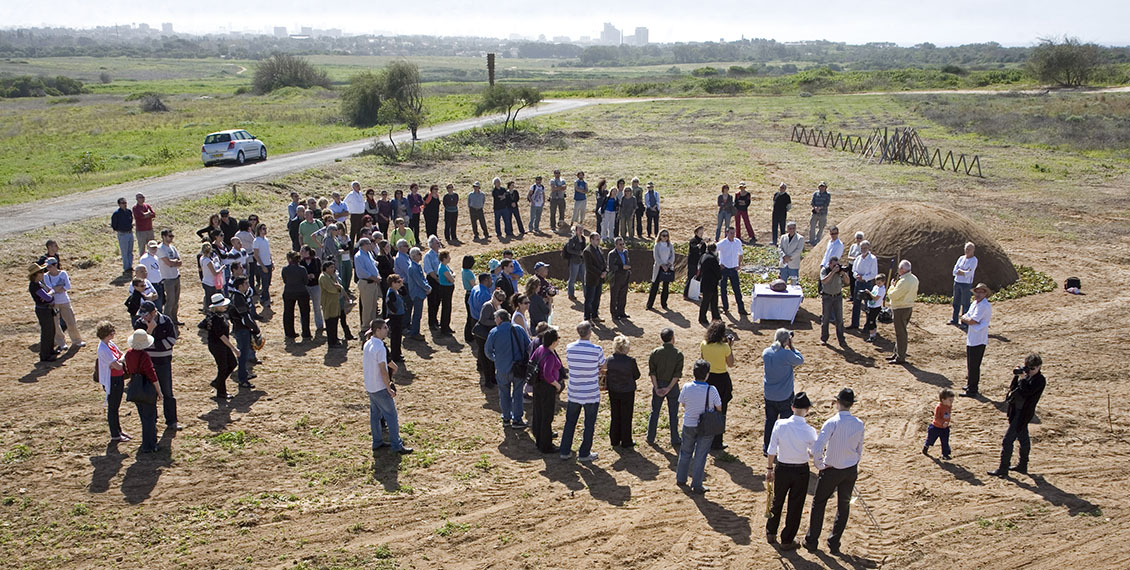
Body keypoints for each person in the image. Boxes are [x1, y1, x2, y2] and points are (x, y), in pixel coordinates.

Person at [804, 387, 865, 555]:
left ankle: (812, 541)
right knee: (843, 506)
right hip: (850, 470)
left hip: (831, 470)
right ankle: (834, 542)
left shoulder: (832, 422)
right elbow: (859, 449)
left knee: (819, 504)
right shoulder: (859, 424)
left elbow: (818, 448)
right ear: (852, 404)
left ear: (837, 403)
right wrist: (853, 463)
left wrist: (819, 465)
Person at [765, 391, 817, 550]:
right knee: (795, 506)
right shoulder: (810, 430)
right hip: (800, 470)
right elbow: (814, 452)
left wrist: (769, 468)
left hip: (782, 468)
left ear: (792, 407)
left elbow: (772, 449)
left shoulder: (780, 425)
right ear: (807, 410)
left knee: (777, 501)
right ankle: (787, 539)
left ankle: (771, 531)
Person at [989, 354, 1046, 477]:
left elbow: (1026, 392)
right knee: (1023, 438)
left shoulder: (1039, 380)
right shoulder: (1027, 377)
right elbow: (1013, 388)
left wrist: (1024, 378)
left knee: (1007, 440)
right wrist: (1017, 376)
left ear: (1039, 367)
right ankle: (1022, 466)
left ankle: (1003, 468)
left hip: (1023, 414)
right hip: (1016, 411)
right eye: (1028, 368)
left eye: (1033, 369)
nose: (1030, 371)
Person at [363, 319, 413, 455]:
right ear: (378, 330)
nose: (387, 329)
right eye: (385, 327)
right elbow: (383, 370)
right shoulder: (380, 347)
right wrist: (388, 388)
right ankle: (397, 445)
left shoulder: (367, 344)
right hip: (379, 387)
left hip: (370, 386)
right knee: (391, 416)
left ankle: (377, 442)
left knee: (375, 415)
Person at [561, 321, 606, 462]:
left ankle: (565, 450)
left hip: (574, 391)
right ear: (590, 332)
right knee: (589, 424)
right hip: (590, 392)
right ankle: (584, 453)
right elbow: (604, 366)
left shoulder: (570, 348)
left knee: (570, 422)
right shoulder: (596, 349)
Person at [676, 359, 723, 494]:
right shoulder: (711, 390)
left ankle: (681, 478)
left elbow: (683, 403)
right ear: (707, 374)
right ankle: (697, 485)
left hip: (689, 423)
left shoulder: (686, 387)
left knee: (685, 452)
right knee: (700, 455)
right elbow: (719, 407)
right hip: (706, 426)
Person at [133, 301, 180, 431]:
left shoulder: (166, 321)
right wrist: (150, 330)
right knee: (150, 393)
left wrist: (151, 344)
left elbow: (171, 341)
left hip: (163, 363)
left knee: (167, 392)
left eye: (146, 315)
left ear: (154, 312)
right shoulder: (139, 324)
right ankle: (152, 421)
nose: (143, 318)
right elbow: (139, 345)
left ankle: (172, 421)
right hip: (147, 365)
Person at [485, 309, 532, 428]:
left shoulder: (494, 332)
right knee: (517, 394)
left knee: (504, 393)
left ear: (499, 319)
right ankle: (517, 419)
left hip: (502, 369)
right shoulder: (519, 329)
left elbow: (488, 351)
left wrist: (497, 359)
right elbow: (528, 346)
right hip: (518, 368)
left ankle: (506, 417)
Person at [762, 328, 803, 454]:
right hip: (784, 395)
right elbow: (800, 360)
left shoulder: (766, 352)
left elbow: (773, 349)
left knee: (770, 421)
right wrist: (792, 347)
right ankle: (784, 448)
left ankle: (767, 447)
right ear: (786, 340)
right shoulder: (786, 355)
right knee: (786, 424)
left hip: (769, 394)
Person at [124, 329, 161, 453]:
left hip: (135, 385)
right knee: (149, 418)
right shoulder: (144, 356)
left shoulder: (128, 354)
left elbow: (128, 370)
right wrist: (159, 392)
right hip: (146, 387)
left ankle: (147, 443)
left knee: (143, 417)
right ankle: (149, 445)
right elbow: (152, 374)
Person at [700, 321, 735, 450]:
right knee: (721, 410)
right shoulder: (724, 348)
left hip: (708, 378)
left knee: (707, 408)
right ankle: (717, 441)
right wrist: (730, 347)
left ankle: (705, 437)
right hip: (721, 379)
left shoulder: (704, 344)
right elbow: (730, 364)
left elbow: (702, 360)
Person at [647, 328, 684, 448]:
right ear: (672, 338)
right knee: (673, 413)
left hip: (658, 383)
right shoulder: (678, 354)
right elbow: (677, 375)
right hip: (672, 386)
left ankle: (650, 436)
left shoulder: (655, 353)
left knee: (655, 411)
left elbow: (652, 372)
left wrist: (657, 387)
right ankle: (674, 438)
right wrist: (668, 388)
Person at [530, 327, 564, 453]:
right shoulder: (550, 356)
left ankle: (540, 440)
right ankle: (546, 445)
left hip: (537, 385)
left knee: (538, 413)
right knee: (547, 417)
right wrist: (557, 385)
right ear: (554, 341)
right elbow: (548, 375)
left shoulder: (540, 349)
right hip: (547, 388)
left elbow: (532, 360)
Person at [95, 322, 130, 441]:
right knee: (113, 407)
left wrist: (119, 361)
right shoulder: (103, 349)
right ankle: (115, 434)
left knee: (116, 406)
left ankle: (118, 431)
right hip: (112, 380)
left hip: (117, 378)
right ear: (108, 334)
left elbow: (121, 357)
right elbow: (118, 365)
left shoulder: (110, 344)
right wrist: (120, 361)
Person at [606, 335, 641, 448]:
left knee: (615, 414)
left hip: (613, 390)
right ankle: (626, 440)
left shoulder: (609, 360)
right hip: (627, 391)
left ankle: (614, 439)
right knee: (626, 416)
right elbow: (637, 375)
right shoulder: (630, 361)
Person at [43, 257, 85, 350]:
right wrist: (59, 288)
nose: (48, 269)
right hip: (54, 303)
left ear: (55, 265)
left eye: (50, 266)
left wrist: (55, 289)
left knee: (71, 321)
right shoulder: (46, 276)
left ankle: (77, 341)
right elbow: (49, 289)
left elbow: (67, 286)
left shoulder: (63, 273)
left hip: (64, 301)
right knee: (56, 323)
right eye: (47, 267)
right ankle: (61, 343)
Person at [960, 283, 993, 397]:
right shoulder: (975, 303)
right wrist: (967, 319)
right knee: (971, 364)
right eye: (977, 292)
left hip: (979, 339)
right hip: (972, 337)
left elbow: (971, 320)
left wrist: (967, 319)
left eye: (981, 292)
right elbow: (966, 316)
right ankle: (970, 384)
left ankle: (972, 389)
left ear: (985, 294)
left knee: (974, 366)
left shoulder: (984, 306)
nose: (978, 294)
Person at [204, 293, 238, 400]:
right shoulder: (216, 318)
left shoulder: (216, 316)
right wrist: (233, 348)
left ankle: (218, 382)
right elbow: (221, 336)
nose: (225, 306)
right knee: (223, 367)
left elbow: (202, 325)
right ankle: (221, 392)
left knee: (232, 363)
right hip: (218, 345)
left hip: (221, 345)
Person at [886, 260, 919, 364]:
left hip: (900, 308)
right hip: (908, 307)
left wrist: (892, 286)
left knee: (901, 333)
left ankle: (900, 356)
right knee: (900, 332)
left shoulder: (904, 281)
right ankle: (897, 353)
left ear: (902, 269)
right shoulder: (914, 279)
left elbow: (893, 295)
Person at [29, 263, 59, 363]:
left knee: (51, 331)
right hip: (43, 311)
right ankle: (45, 355)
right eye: (41, 272)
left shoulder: (38, 283)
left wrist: (49, 293)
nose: (43, 273)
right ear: (36, 274)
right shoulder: (35, 286)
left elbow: (48, 294)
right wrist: (51, 293)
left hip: (46, 309)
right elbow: (48, 297)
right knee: (47, 332)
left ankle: (50, 351)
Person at [819, 256, 850, 347]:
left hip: (838, 297)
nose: (836, 266)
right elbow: (824, 281)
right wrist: (833, 272)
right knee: (825, 319)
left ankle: (841, 339)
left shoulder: (840, 272)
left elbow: (847, 282)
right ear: (829, 264)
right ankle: (824, 338)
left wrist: (843, 274)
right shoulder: (825, 270)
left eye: (837, 265)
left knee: (839, 319)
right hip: (827, 297)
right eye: (834, 265)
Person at [281, 252, 312, 340]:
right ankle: (306, 332)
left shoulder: (285, 269)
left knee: (288, 312)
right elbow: (306, 281)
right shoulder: (302, 269)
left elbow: (285, 280)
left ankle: (289, 333)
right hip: (301, 291)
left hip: (289, 292)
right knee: (305, 313)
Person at [717, 227, 747, 317]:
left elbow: (740, 254)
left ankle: (741, 308)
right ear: (727, 233)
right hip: (724, 269)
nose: (733, 235)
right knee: (723, 289)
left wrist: (739, 264)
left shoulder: (737, 242)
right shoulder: (722, 243)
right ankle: (725, 307)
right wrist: (719, 263)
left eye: (734, 233)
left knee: (737, 289)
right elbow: (713, 250)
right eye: (731, 233)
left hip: (733, 269)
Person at [156, 229, 184, 325]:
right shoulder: (160, 248)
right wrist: (174, 262)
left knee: (176, 300)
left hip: (176, 276)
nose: (171, 238)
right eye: (169, 236)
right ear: (163, 237)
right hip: (167, 278)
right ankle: (166, 321)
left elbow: (179, 262)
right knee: (170, 300)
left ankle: (174, 319)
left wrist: (174, 262)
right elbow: (168, 263)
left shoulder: (172, 247)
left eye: (172, 236)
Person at [404, 247, 431, 341]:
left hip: (419, 292)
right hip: (417, 293)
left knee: (418, 314)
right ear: (414, 256)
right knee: (417, 314)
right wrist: (428, 288)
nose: (421, 255)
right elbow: (419, 281)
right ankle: (414, 333)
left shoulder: (417, 266)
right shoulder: (413, 267)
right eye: (419, 254)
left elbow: (423, 279)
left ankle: (415, 331)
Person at [849, 240, 878, 329]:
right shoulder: (858, 258)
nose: (863, 249)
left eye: (865, 248)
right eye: (862, 248)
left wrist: (864, 277)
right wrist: (856, 276)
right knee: (856, 304)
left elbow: (874, 273)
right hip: (858, 283)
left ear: (868, 248)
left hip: (867, 283)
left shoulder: (872, 259)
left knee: (868, 305)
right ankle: (854, 324)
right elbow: (854, 270)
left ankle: (868, 325)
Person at [949, 242, 978, 327]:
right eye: (966, 249)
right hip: (957, 282)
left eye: (969, 249)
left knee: (965, 304)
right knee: (956, 302)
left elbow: (969, 274)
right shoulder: (961, 258)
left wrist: (961, 271)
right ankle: (954, 320)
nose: (967, 251)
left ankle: (965, 323)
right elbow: (954, 271)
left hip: (966, 284)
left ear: (973, 250)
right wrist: (963, 272)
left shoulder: (974, 260)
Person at [319, 261, 345, 348]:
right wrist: (337, 288)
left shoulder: (331, 277)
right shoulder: (323, 277)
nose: (333, 269)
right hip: (328, 303)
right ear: (326, 268)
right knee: (330, 323)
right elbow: (331, 289)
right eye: (331, 267)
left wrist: (338, 288)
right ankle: (331, 342)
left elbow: (339, 286)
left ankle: (335, 339)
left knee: (334, 322)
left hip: (334, 302)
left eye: (333, 267)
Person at [647, 229, 674, 311]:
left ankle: (664, 304)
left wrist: (669, 264)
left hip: (668, 267)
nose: (665, 237)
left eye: (666, 235)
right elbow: (656, 257)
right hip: (659, 267)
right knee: (655, 285)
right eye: (663, 235)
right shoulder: (657, 245)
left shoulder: (670, 245)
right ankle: (649, 304)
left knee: (666, 286)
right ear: (660, 236)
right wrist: (662, 265)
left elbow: (672, 256)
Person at [582, 232, 606, 323]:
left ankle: (595, 315)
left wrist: (605, 271)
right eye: (597, 239)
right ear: (591, 240)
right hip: (591, 279)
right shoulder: (587, 251)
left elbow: (603, 262)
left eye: (599, 239)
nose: (598, 241)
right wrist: (600, 273)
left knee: (597, 298)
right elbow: (589, 267)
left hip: (599, 279)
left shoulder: (599, 249)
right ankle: (587, 318)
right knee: (589, 299)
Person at [923, 389, 954, 460]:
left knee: (945, 441)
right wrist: (942, 423)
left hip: (945, 428)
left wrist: (946, 423)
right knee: (931, 439)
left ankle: (945, 454)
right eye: (950, 400)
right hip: (935, 427)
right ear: (943, 400)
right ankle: (926, 445)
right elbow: (936, 418)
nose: (951, 402)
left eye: (952, 400)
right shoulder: (939, 407)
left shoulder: (949, 406)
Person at [299, 246, 324, 333]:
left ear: (307, 252)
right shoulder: (300, 262)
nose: (301, 252)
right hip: (305, 286)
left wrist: (314, 276)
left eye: (302, 251)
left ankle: (320, 325)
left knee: (316, 306)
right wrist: (307, 277)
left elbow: (320, 272)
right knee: (304, 308)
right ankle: (305, 326)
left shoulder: (316, 260)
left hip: (316, 286)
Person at [607, 237, 632, 320]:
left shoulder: (625, 252)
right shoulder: (612, 254)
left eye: (623, 244)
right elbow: (611, 266)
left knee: (623, 295)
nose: (622, 246)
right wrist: (622, 267)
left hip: (625, 276)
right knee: (614, 296)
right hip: (616, 277)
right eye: (620, 244)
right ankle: (614, 313)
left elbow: (627, 261)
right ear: (616, 245)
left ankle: (621, 312)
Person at [697, 243, 722, 326]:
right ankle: (703, 318)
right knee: (709, 301)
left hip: (705, 282)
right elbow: (717, 272)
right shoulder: (712, 259)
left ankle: (716, 317)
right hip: (711, 283)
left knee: (711, 300)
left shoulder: (704, 256)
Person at [384, 275, 407, 363]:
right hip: (395, 317)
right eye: (398, 282)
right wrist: (394, 311)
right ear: (393, 283)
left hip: (399, 316)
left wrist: (401, 285)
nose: (400, 284)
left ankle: (398, 353)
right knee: (395, 336)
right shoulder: (391, 292)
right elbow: (389, 303)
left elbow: (405, 293)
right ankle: (395, 355)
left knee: (398, 336)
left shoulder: (396, 291)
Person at [422, 236, 443, 332]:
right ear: (431, 245)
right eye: (436, 243)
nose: (439, 244)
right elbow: (429, 270)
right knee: (432, 302)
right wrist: (437, 279)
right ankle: (431, 322)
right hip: (432, 280)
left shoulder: (439, 254)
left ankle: (435, 319)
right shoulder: (428, 256)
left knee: (438, 300)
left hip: (439, 279)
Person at [139, 240, 165, 309]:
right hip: (151, 285)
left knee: (160, 304)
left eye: (155, 248)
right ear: (147, 247)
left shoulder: (156, 257)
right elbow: (143, 272)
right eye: (152, 248)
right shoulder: (144, 259)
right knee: (154, 306)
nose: (154, 249)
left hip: (159, 284)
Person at [252, 224, 273, 308]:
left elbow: (268, 252)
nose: (265, 230)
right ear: (259, 230)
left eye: (265, 228)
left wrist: (272, 262)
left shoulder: (266, 240)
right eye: (263, 229)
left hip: (268, 264)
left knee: (267, 282)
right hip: (262, 265)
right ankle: (266, 300)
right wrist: (262, 266)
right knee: (264, 283)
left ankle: (263, 297)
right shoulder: (257, 241)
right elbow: (256, 255)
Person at [111, 197, 134, 274]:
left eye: (125, 203)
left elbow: (131, 221)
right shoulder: (116, 214)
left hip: (130, 233)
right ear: (119, 204)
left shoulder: (128, 212)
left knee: (130, 251)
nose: (125, 204)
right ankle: (126, 267)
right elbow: (114, 225)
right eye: (123, 203)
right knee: (124, 252)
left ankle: (130, 266)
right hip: (122, 234)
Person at [436, 251, 456, 336]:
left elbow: (452, 274)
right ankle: (444, 328)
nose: (450, 258)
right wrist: (452, 276)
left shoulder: (445, 266)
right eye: (448, 257)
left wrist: (452, 275)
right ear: (444, 258)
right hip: (445, 289)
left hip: (447, 288)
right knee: (446, 308)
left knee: (448, 308)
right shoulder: (443, 268)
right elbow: (452, 279)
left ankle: (446, 326)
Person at [564, 224, 587, 300]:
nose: (581, 231)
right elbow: (569, 250)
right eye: (579, 230)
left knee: (584, 278)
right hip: (574, 261)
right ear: (576, 230)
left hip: (582, 261)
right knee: (573, 278)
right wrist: (578, 253)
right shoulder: (572, 239)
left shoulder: (583, 239)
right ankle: (571, 294)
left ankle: (586, 294)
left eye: (582, 230)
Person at [863, 274, 887, 343]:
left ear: (883, 282)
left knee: (871, 321)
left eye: (879, 283)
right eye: (877, 282)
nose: (878, 284)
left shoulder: (882, 289)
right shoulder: (875, 287)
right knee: (872, 320)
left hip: (876, 307)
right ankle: (873, 334)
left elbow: (876, 298)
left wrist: (869, 293)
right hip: (871, 306)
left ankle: (872, 336)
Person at [685, 226, 706, 300]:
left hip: (699, 262)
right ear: (696, 232)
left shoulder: (702, 242)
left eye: (702, 232)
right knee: (690, 277)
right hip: (692, 262)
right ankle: (686, 294)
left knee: (698, 278)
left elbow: (704, 252)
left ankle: (695, 293)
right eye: (700, 232)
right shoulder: (693, 240)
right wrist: (701, 243)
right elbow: (694, 248)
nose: (702, 234)